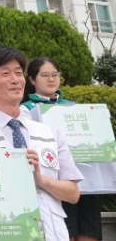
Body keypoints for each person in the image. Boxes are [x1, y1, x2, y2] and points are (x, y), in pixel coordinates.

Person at [0, 47, 83, 241]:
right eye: (5, 73)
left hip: (53, 233)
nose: (15, 80)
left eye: (18, 73)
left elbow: (73, 194)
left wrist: (41, 180)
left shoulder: (49, 133)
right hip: (4, 232)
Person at [21, 57, 100, 241]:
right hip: (56, 180)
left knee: (90, 230)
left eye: (55, 75)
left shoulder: (73, 106)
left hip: (86, 179)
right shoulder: (27, 109)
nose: (51, 79)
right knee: (67, 231)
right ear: (32, 80)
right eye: (45, 75)